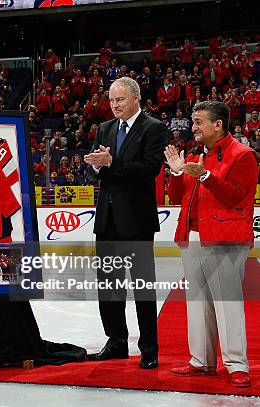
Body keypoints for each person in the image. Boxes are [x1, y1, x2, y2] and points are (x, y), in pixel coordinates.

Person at [165, 101, 257, 388]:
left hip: (224, 238)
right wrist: (177, 172)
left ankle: (236, 364)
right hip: (191, 236)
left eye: (199, 122)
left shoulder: (243, 156)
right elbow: (177, 197)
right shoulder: (195, 154)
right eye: (193, 121)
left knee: (227, 303)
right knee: (197, 302)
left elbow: (236, 196)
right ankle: (201, 361)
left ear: (218, 124)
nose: (193, 127)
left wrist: (205, 176)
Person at [83, 77, 169, 369]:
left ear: (135, 98)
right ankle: (117, 342)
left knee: (143, 287)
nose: (114, 105)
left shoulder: (154, 128)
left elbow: (148, 171)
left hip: (137, 221)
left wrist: (110, 163)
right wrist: (96, 164)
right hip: (106, 219)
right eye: (111, 100)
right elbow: (100, 172)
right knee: (108, 285)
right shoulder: (105, 128)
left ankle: (149, 348)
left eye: (119, 100)